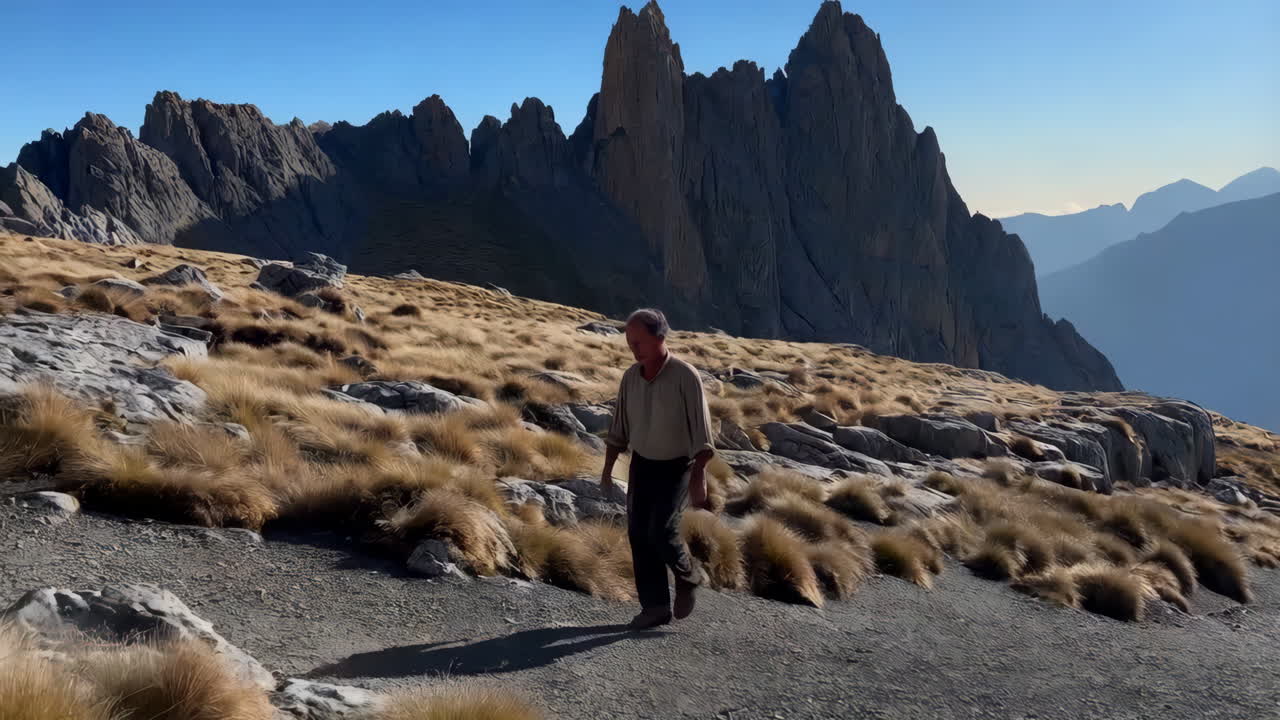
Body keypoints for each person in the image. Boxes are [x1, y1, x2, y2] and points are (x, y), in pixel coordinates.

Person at [601, 308, 714, 630]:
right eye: (629, 342)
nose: (633, 349)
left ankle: (688, 575)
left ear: (660, 338)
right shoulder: (630, 378)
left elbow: (702, 434)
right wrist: (608, 470)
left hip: (677, 467)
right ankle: (655, 608)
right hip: (642, 465)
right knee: (638, 535)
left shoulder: (685, 376)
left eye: (639, 342)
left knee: (661, 532)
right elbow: (619, 428)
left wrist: (698, 477)